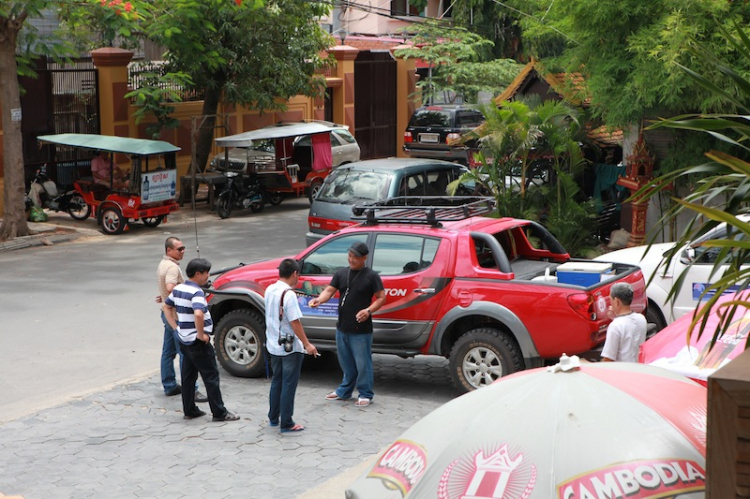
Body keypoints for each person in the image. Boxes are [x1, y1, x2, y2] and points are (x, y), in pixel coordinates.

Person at [309, 241, 386, 407]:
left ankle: (365, 393)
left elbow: (381, 297)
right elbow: (329, 290)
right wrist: (319, 300)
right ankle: (344, 390)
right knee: (345, 362)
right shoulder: (341, 273)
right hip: (342, 326)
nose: (351, 259)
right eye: (350, 256)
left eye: (355, 257)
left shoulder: (371, 276)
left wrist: (368, 311)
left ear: (364, 258)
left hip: (361, 329)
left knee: (362, 363)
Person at [163, 258, 239, 422]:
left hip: (184, 339)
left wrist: (175, 328)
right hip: (197, 343)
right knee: (211, 377)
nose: (208, 276)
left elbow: (166, 307)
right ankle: (219, 412)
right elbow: (198, 314)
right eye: (206, 273)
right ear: (198, 274)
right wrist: (200, 334)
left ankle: (189, 409)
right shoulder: (196, 292)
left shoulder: (178, 289)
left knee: (188, 377)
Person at [264, 258, 319, 433]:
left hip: (273, 344)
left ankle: (274, 417)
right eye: (298, 275)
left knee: (277, 381)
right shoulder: (289, 294)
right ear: (294, 274)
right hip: (289, 348)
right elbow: (295, 323)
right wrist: (307, 344)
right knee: (289, 384)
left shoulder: (270, 289)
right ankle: (287, 422)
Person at [155, 237, 206, 401]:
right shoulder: (172, 268)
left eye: (183, 248)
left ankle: (169, 385)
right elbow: (170, 288)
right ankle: (192, 389)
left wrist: (163, 296)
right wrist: (187, 293)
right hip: (176, 316)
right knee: (186, 352)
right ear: (169, 250)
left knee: (168, 352)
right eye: (179, 249)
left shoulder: (163, 264)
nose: (183, 251)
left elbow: (165, 288)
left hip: (166, 312)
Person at [601, 282, 647, 362]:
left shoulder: (615, 326)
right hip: (639, 369)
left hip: (622, 372)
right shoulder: (642, 319)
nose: (610, 303)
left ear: (616, 301)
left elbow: (608, 359)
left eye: (610, 299)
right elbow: (629, 326)